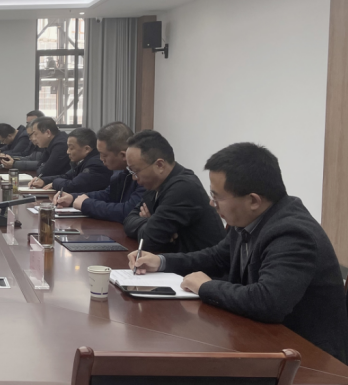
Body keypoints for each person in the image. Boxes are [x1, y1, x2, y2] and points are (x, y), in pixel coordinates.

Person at [130, 143, 348, 366]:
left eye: (217, 196)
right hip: (266, 342)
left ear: (253, 200)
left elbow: (268, 301)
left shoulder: (293, 233)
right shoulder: (249, 219)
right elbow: (216, 257)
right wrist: (161, 261)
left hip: (311, 361)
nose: (211, 203)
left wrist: (206, 286)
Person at [123, 130, 225, 253]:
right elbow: (128, 220)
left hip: (202, 264)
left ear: (159, 165)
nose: (134, 178)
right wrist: (150, 222)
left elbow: (149, 240)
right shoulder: (155, 185)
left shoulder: (183, 188)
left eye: (136, 171)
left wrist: (153, 226)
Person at [52, 122, 145, 222]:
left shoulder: (145, 176)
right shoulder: (120, 172)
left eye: (104, 155)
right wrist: (73, 198)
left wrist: (86, 204)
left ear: (123, 155)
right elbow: (108, 194)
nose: (101, 159)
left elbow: (128, 211)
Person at [30, 127, 111, 193]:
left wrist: (54, 183)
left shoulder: (96, 163)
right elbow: (67, 176)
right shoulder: (82, 161)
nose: (67, 152)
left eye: (71, 148)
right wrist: (44, 181)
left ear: (86, 149)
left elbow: (74, 186)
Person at [0, 117, 70, 179]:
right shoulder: (50, 143)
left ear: (48, 133)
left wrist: (42, 167)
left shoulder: (61, 145)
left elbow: (44, 173)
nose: (33, 138)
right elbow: (39, 166)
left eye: (35, 134)